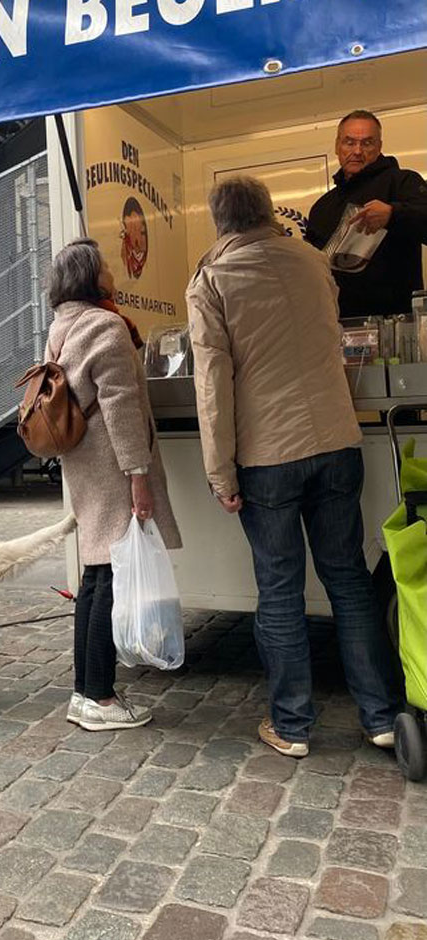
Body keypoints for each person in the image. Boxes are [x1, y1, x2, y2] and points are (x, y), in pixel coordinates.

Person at [187, 176, 400, 758]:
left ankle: (292, 725)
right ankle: (381, 716)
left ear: (220, 222)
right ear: (265, 212)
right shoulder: (312, 261)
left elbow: (212, 384)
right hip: (336, 439)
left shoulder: (212, 280)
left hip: (268, 455)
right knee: (349, 581)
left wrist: (219, 472)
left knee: (279, 590)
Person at [46, 238, 181, 731]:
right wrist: (138, 478)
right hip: (111, 463)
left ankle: (84, 692)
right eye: (106, 264)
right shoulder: (105, 325)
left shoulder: (63, 325)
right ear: (91, 276)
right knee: (108, 579)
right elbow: (122, 408)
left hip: (83, 463)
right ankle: (99, 698)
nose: (112, 270)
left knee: (94, 576)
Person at [306, 110, 427, 317]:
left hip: (396, 322)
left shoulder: (403, 182)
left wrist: (393, 214)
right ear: (337, 146)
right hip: (337, 324)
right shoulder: (322, 207)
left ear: (379, 146)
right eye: (349, 142)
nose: (358, 151)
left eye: (367, 143)